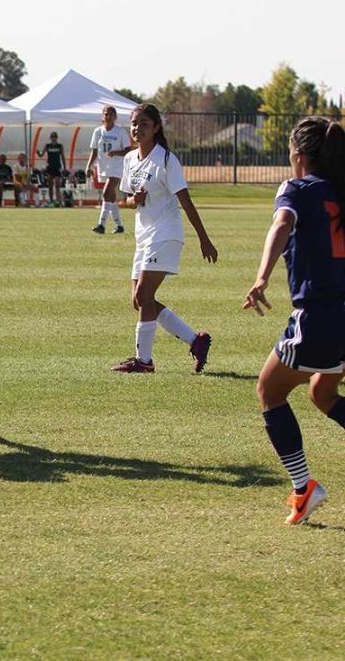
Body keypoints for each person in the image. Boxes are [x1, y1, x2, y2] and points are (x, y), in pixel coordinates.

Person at [243, 117, 345, 525]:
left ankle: (304, 489)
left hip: (318, 316)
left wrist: (261, 276)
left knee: (269, 392)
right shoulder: (341, 190)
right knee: (323, 393)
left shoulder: (296, 189)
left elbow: (282, 223)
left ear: (299, 154)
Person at [111, 103, 218, 373]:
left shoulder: (166, 159)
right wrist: (133, 200)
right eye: (134, 123)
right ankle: (196, 341)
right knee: (139, 301)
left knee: (144, 295)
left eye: (144, 123)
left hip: (166, 234)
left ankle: (144, 361)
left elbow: (186, 201)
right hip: (144, 236)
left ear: (156, 127)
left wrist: (204, 239)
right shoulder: (129, 159)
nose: (137, 128)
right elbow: (123, 201)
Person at [85, 106, 132, 234]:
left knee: (106, 193)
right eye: (105, 114)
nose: (108, 117)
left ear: (115, 117)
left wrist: (116, 152)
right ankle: (119, 225)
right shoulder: (98, 132)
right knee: (111, 197)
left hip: (117, 167)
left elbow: (128, 150)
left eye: (111, 114)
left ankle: (101, 225)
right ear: (102, 116)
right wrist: (89, 166)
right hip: (104, 167)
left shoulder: (120, 131)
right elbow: (94, 151)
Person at [36, 132, 66, 206]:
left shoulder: (59, 146)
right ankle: (51, 200)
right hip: (50, 167)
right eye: (52, 137)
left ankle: (58, 200)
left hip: (57, 167)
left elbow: (62, 157)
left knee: (57, 185)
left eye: (55, 137)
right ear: (50, 138)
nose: (53, 138)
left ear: (56, 138)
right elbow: (41, 155)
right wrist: (38, 153)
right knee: (50, 185)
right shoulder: (47, 146)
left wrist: (65, 167)